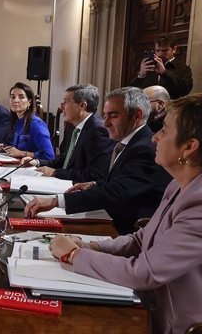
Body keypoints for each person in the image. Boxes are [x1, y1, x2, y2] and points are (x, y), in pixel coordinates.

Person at [48, 93, 202, 334]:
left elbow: (146, 271)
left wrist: (74, 255)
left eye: (164, 131)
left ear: (189, 147)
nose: (154, 138)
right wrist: (92, 244)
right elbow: (143, 239)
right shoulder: (185, 182)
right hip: (152, 314)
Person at [25, 87, 171, 234]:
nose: (105, 123)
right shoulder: (130, 142)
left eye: (113, 116)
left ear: (137, 115)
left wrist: (56, 201)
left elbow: (117, 192)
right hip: (110, 220)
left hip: (126, 231)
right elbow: (123, 180)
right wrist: (94, 184)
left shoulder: (145, 147)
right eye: (105, 116)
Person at [21, 84, 113, 182]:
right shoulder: (72, 126)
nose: (61, 106)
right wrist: (37, 162)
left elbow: (96, 175)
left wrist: (55, 172)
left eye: (66, 102)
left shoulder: (98, 130)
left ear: (82, 105)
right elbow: (64, 161)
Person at [0, 82, 55, 160]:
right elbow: (17, 148)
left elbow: (49, 156)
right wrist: (4, 148)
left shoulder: (36, 125)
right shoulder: (16, 121)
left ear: (29, 102)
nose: (15, 100)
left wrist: (22, 153)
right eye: (12, 97)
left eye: (21, 97)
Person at [130, 34, 193, 99]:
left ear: (174, 49)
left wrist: (164, 72)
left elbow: (185, 90)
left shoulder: (183, 68)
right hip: (147, 106)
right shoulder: (148, 65)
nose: (160, 54)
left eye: (164, 50)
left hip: (170, 106)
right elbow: (132, 92)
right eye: (157, 50)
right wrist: (141, 75)